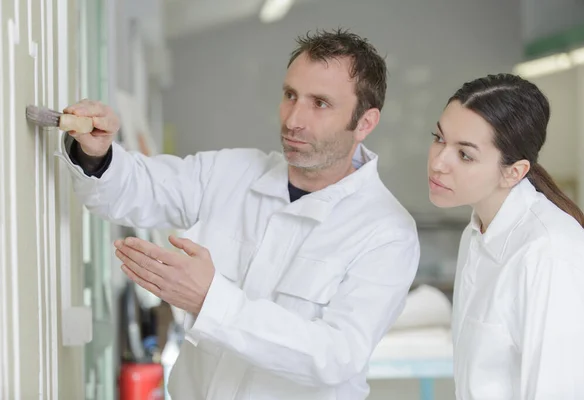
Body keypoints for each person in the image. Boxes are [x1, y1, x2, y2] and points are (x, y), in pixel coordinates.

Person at [58, 29, 420, 399]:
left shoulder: (387, 232)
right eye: (290, 95)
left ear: (365, 123)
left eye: (320, 103)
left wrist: (209, 300)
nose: (294, 118)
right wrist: (97, 151)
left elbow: (336, 356)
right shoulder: (232, 172)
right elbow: (138, 186)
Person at [428, 73, 584, 399]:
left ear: (514, 171)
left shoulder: (551, 257)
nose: (438, 162)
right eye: (438, 138)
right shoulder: (477, 233)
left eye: (465, 154)